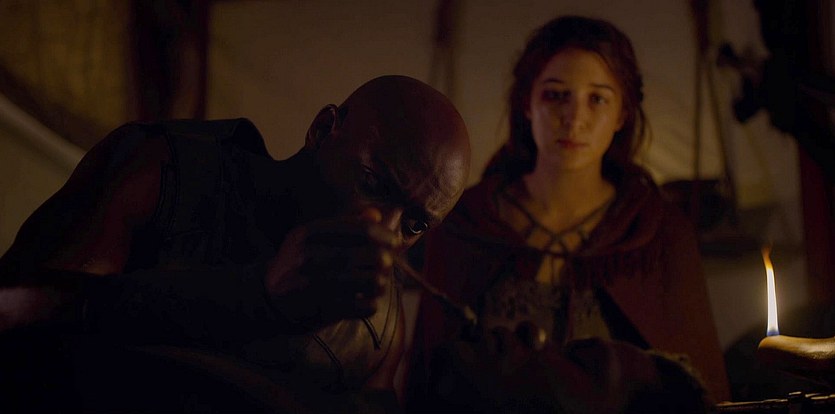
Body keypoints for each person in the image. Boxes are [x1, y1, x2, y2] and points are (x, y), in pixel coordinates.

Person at [0, 75, 471, 413]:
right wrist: (256, 297)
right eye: (372, 182)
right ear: (323, 130)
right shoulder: (166, 172)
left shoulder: (381, 323)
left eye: (414, 225)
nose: (384, 229)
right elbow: (17, 310)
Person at [405, 15, 730, 412]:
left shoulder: (657, 231)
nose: (574, 119)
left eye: (597, 99)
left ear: (622, 113)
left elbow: (694, 389)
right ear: (527, 103)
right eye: (556, 95)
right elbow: (431, 377)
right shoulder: (469, 222)